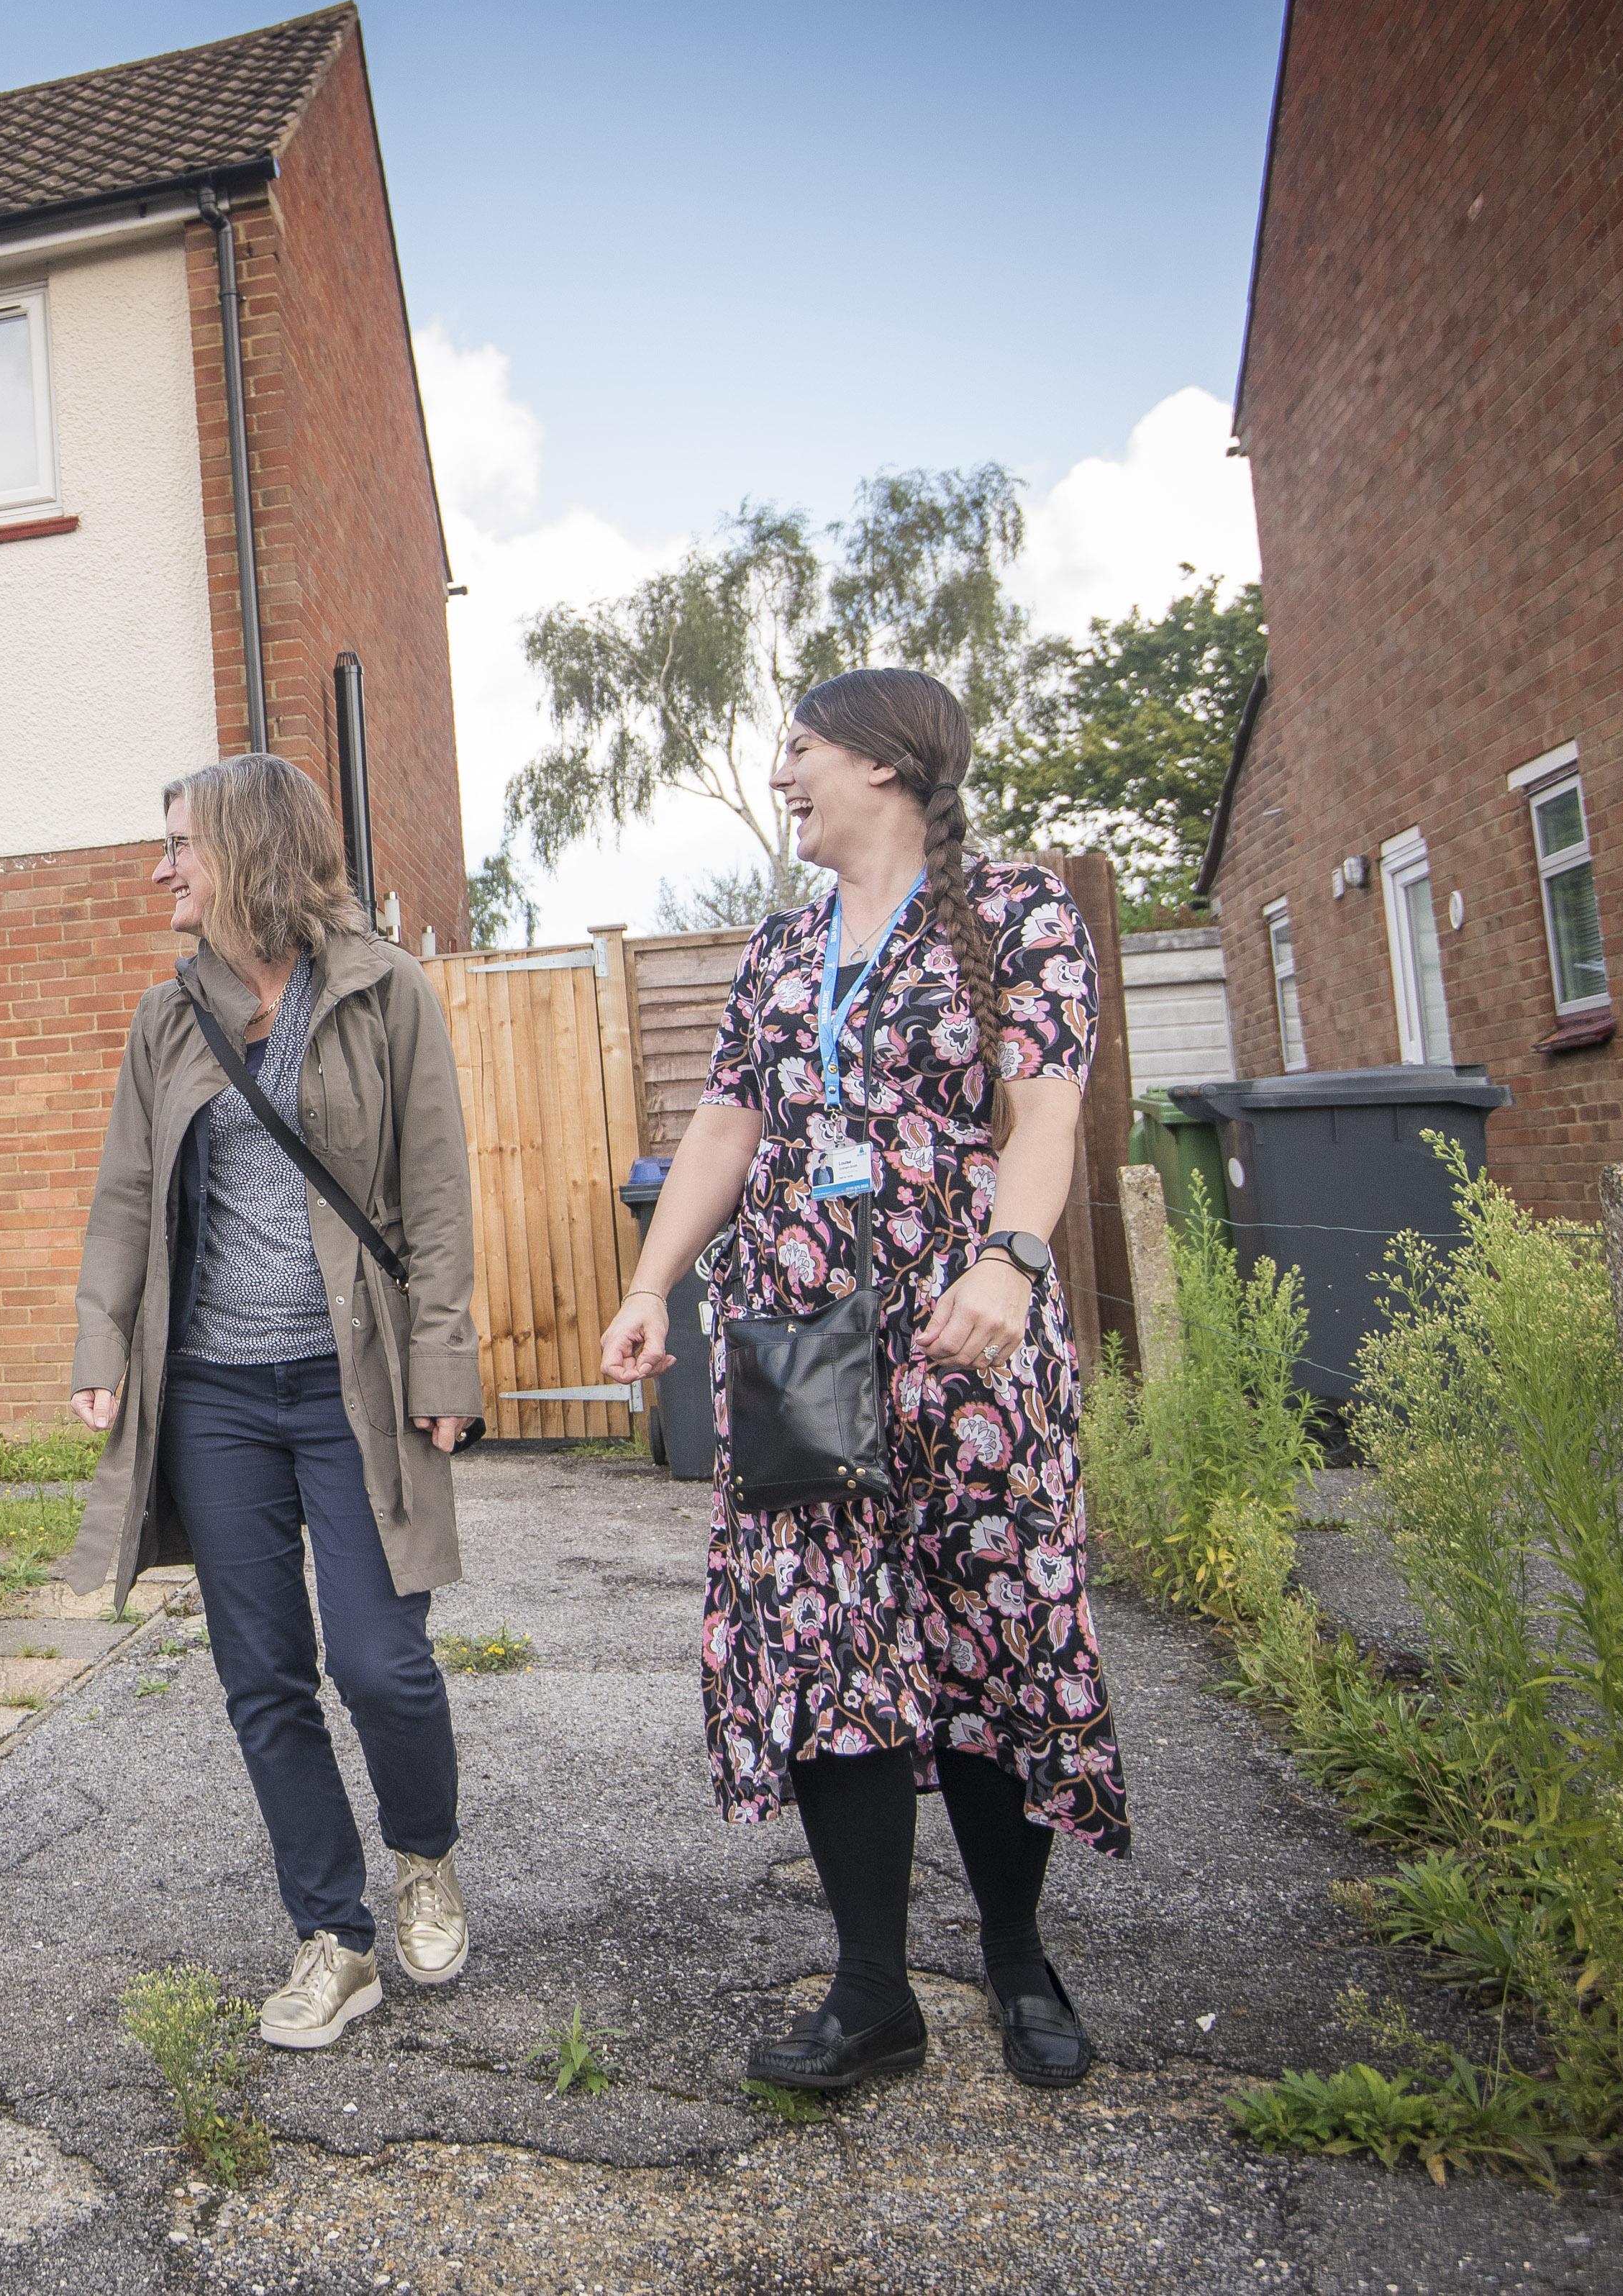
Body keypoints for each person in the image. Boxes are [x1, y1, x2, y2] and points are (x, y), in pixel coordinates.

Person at [598, 666, 1122, 2099]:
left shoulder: (1017, 915)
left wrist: (1009, 1261)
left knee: (991, 1626)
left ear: (885, 764)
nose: (781, 772)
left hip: (970, 1336)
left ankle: (1016, 1956)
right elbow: (721, 1125)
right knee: (827, 1643)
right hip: (802, 1339)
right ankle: (873, 1988)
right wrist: (653, 1284)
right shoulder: (778, 951)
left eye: (800, 747)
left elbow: (1046, 1112)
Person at [64, 753, 482, 2052]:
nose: (159, 867)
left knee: (378, 1657)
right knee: (261, 1673)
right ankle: (333, 1934)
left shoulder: (380, 989)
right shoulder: (164, 1016)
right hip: (213, 1391)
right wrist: (102, 1344)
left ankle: (421, 1854)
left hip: (348, 1379)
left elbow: (434, 1196)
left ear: (245, 849)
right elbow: (127, 1189)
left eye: (176, 840)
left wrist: (440, 1365)